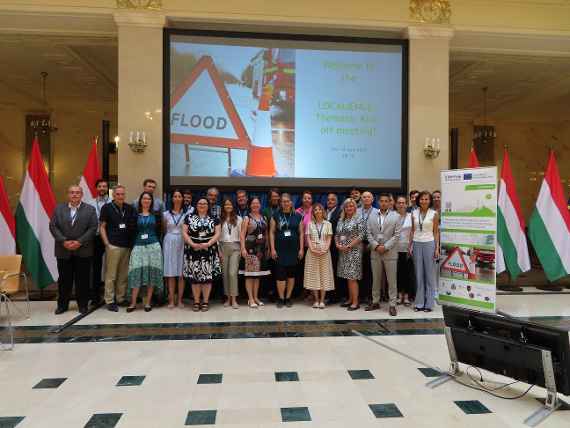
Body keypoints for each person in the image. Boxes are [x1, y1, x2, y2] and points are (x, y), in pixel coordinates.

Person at [49, 185, 98, 314]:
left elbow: (93, 228)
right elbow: (53, 226)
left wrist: (79, 242)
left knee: (83, 280)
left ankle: (82, 305)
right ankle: (62, 306)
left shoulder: (90, 209)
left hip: (83, 251)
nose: (75, 195)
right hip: (63, 250)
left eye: (77, 193)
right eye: (72, 192)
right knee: (64, 280)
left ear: (82, 195)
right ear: (68, 194)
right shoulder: (59, 209)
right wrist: (64, 241)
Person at [99, 184, 136, 312]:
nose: (120, 196)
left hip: (126, 246)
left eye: (122, 194)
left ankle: (120, 298)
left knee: (123, 275)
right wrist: (107, 244)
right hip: (113, 246)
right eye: (118, 194)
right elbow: (102, 227)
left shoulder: (129, 208)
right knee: (111, 275)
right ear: (113, 195)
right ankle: (109, 300)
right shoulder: (107, 208)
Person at [183, 198, 221, 312]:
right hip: (192, 248)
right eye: (199, 203)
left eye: (204, 203)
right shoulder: (189, 217)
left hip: (209, 249)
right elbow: (184, 232)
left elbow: (218, 233)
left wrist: (208, 243)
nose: (202, 205)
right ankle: (196, 301)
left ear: (208, 206)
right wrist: (192, 244)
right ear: (196, 205)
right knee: (195, 278)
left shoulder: (214, 218)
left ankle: (205, 301)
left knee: (207, 277)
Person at [366, 193, 401, 316]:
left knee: (392, 281)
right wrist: (376, 246)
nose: (384, 203)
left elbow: (397, 235)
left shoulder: (396, 216)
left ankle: (392, 305)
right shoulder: (371, 215)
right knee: (376, 279)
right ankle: (375, 302)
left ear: (390, 202)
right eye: (382, 201)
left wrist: (385, 247)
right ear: (378, 202)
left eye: (386, 201)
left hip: (390, 252)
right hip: (375, 252)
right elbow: (368, 233)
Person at [127, 192, 163, 312]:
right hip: (138, 246)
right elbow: (131, 231)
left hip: (154, 246)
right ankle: (133, 303)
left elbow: (160, 231)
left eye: (148, 199)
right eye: (144, 198)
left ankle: (148, 303)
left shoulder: (157, 215)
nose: (146, 200)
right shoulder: (134, 214)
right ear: (140, 200)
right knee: (136, 272)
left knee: (151, 273)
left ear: (151, 201)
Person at [270, 193, 303, 308]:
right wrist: (273, 249)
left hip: (293, 251)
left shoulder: (297, 216)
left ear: (291, 202)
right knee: (280, 276)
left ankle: (288, 297)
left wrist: (301, 249)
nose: (285, 203)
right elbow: (271, 232)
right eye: (283, 201)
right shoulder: (275, 215)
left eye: (287, 201)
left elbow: (301, 233)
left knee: (291, 276)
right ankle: (281, 298)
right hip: (280, 250)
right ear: (281, 203)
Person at [409, 191, 440, 312]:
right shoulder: (413, 213)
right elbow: (412, 230)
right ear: (418, 201)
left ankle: (429, 303)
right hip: (416, 243)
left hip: (429, 243)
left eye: (426, 199)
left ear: (430, 201)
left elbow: (436, 232)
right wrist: (410, 245)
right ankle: (419, 303)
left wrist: (437, 248)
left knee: (429, 274)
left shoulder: (434, 214)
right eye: (421, 199)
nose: (424, 201)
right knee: (418, 274)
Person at [240, 197, 270, 308]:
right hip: (250, 249)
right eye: (253, 203)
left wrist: (268, 248)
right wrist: (243, 248)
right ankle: (250, 299)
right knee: (250, 275)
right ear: (250, 205)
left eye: (257, 203)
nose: (255, 205)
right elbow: (242, 234)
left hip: (261, 250)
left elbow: (266, 234)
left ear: (260, 205)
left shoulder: (264, 218)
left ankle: (256, 297)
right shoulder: (246, 218)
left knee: (257, 275)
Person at [335, 198, 365, 311]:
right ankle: (350, 299)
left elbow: (361, 236)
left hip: (354, 251)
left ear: (355, 207)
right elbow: (337, 234)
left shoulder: (359, 219)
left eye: (351, 206)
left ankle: (355, 302)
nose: (349, 208)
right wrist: (337, 244)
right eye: (347, 206)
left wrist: (348, 246)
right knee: (347, 277)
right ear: (344, 208)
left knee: (352, 278)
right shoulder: (341, 220)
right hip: (342, 252)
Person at [304, 203, 334, 308]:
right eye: (315, 210)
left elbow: (329, 239)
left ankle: (322, 300)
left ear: (323, 211)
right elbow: (308, 238)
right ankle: (316, 300)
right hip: (312, 253)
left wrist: (325, 249)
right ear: (313, 213)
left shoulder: (328, 224)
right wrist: (312, 249)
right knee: (314, 276)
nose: (317, 211)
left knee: (324, 276)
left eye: (319, 209)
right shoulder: (310, 224)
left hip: (325, 253)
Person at [163, 190, 186, 309]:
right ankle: (171, 300)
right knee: (171, 273)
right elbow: (163, 230)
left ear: (182, 199)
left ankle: (180, 300)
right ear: (172, 199)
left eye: (179, 196)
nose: (177, 198)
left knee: (181, 273)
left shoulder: (187, 214)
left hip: (182, 242)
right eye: (175, 196)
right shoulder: (165, 214)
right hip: (169, 241)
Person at [89, 178, 109, 307]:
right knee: (95, 268)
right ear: (96, 188)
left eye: (104, 186)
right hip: (95, 238)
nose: (102, 188)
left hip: (109, 238)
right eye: (100, 186)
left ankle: (109, 296)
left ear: (107, 188)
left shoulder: (112, 202)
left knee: (110, 267)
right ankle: (95, 297)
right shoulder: (90, 203)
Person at [219, 198, 242, 309]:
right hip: (223, 247)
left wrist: (242, 249)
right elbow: (217, 237)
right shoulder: (220, 219)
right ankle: (227, 299)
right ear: (223, 206)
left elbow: (242, 236)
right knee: (225, 274)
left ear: (233, 206)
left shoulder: (239, 219)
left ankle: (234, 299)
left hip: (235, 247)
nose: (228, 206)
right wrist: (218, 251)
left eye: (230, 204)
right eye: (226, 204)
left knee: (232, 273)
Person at [395, 195, 415, 306]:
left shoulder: (411, 216)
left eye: (403, 203)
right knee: (397, 273)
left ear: (406, 205)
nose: (401, 205)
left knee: (407, 273)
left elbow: (413, 231)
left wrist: (410, 247)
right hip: (395, 249)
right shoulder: (392, 216)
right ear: (396, 204)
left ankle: (406, 296)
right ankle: (398, 295)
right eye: (399, 202)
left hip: (408, 248)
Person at [357, 191, 376, 305]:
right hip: (358, 244)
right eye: (364, 197)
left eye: (369, 197)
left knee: (370, 272)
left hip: (371, 244)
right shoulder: (357, 211)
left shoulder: (376, 212)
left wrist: (371, 243)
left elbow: (379, 229)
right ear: (361, 199)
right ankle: (359, 295)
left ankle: (369, 296)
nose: (366, 199)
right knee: (358, 271)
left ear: (372, 199)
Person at [325, 192, 343, 303]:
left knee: (335, 271)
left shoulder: (340, 212)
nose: (330, 201)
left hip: (335, 246)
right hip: (324, 246)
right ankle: (328, 294)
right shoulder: (324, 212)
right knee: (327, 271)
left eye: (332, 199)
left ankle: (335, 297)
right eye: (328, 200)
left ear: (336, 201)